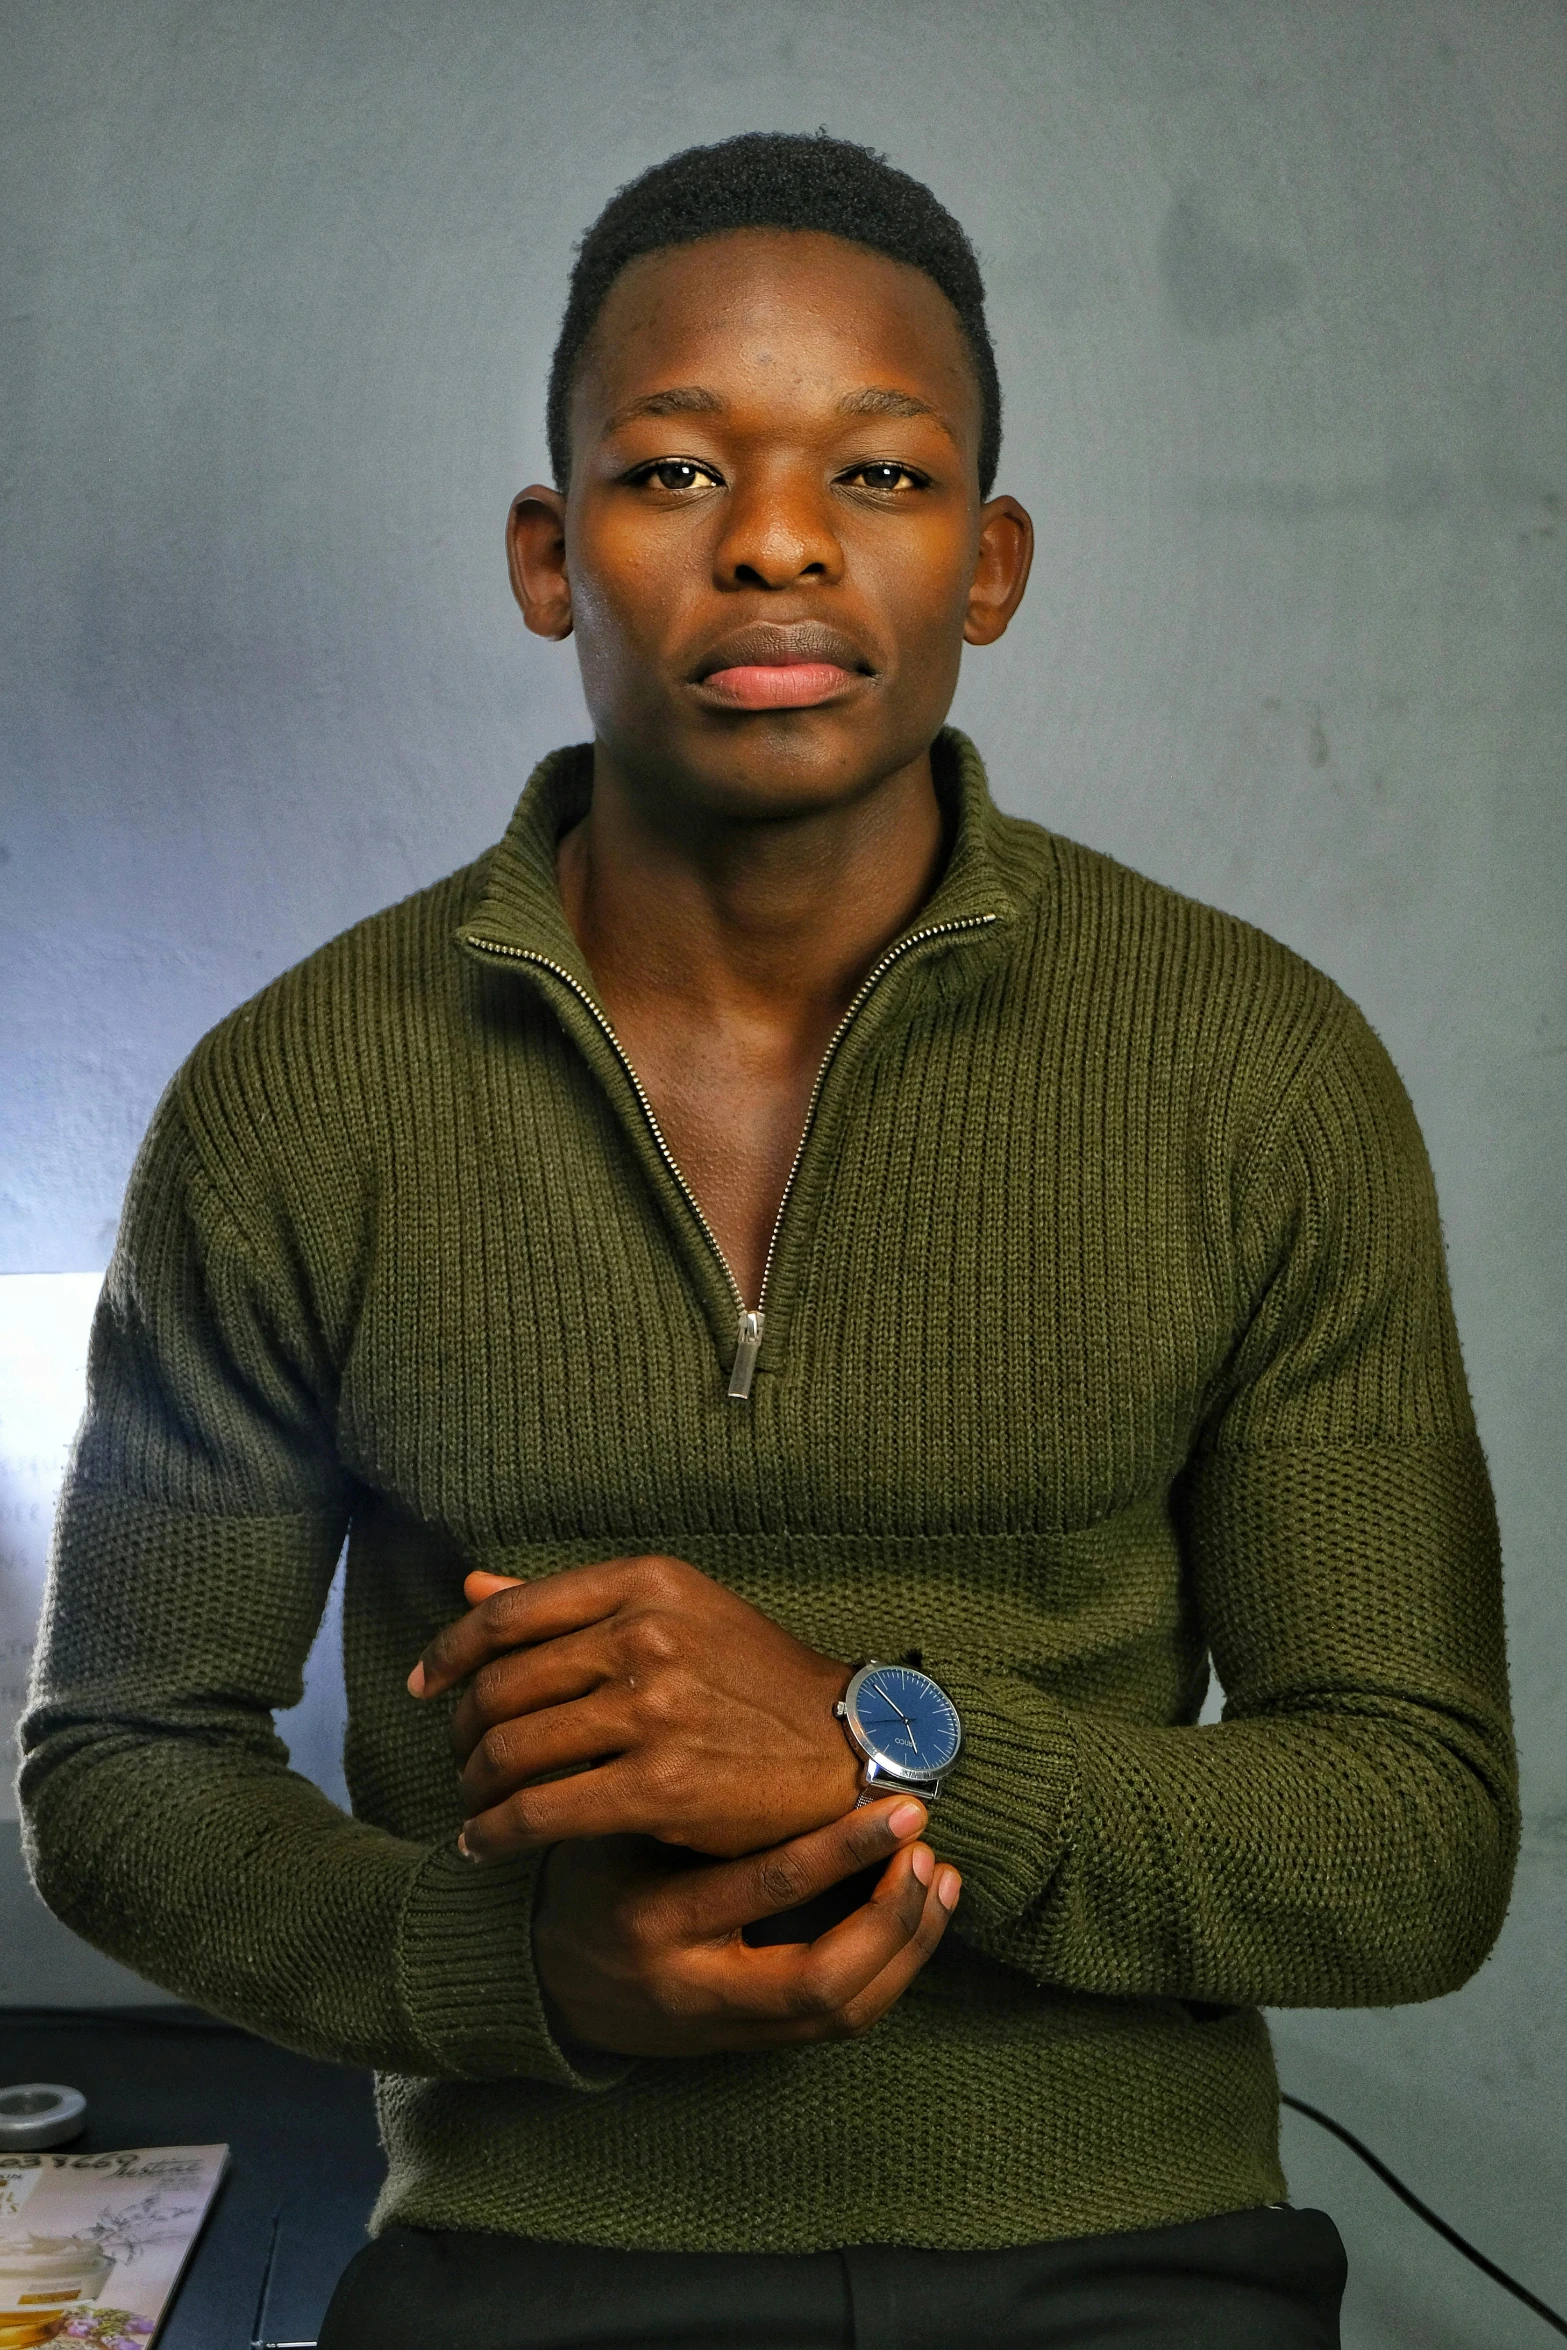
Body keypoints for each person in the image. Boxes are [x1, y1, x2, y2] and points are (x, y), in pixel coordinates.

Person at [20, 133, 1515, 2350]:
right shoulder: (295, 1094)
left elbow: (1414, 1830)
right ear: (551, 557)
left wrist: (870, 1739)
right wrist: (514, 1970)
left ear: (991, 563)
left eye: (884, 478)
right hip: (535, 2256)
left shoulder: (1256, 1071)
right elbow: (124, 1759)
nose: (782, 541)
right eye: (675, 470)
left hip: (1126, 2256)